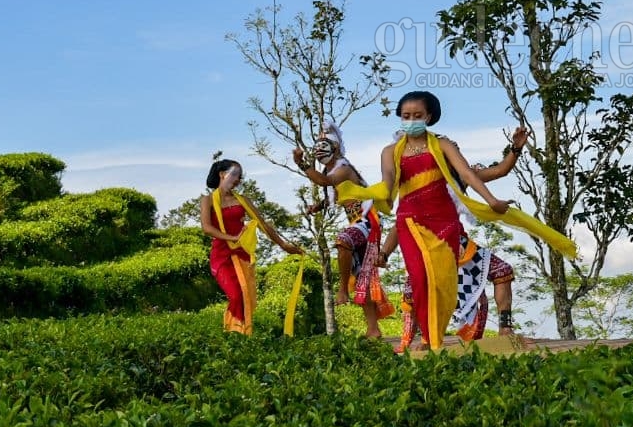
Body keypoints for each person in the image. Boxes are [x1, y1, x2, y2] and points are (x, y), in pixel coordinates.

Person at [379, 126, 529, 349]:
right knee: (419, 288)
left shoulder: (462, 176)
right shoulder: (415, 187)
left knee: (502, 271)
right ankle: (421, 339)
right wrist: (384, 252)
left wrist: (515, 148)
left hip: (459, 245)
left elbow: (500, 171)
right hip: (427, 246)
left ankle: (505, 328)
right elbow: (399, 224)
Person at [292, 121, 393, 339]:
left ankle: (342, 291)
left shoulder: (344, 169)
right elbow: (331, 195)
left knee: (343, 241)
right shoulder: (334, 171)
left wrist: (301, 164)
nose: (320, 149)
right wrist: (316, 207)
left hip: (367, 221)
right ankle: (373, 330)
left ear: (335, 148)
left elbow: (324, 181)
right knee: (361, 277)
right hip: (356, 221)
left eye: (325, 144)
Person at [199, 158, 304, 335]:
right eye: (235, 175)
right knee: (235, 294)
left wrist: (284, 245)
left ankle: (241, 336)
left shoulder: (243, 200)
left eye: (240, 177)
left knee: (245, 295)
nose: (238, 180)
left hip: (241, 254)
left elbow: (264, 225)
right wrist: (231, 237)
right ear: (222, 174)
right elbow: (206, 227)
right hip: (221, 255)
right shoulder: (207, 200)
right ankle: (233, 332)